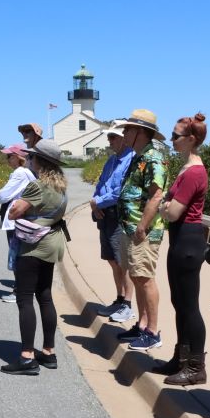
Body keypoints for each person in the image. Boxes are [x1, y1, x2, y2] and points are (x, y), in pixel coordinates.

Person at [0, 139, 68, 376]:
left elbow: (15, 210)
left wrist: (21, 207)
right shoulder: (61, 187)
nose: (29, 159)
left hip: (32, 246)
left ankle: (27, 356)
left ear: (39, 161)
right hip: (52, 243)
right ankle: (49, 352)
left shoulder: (37, 186)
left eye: (31, 157)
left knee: (25, 297)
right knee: (45, 296)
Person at [155, 113, 210, 385]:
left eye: (176, 136)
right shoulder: (186, 168)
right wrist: (166, 205)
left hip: (188, 239)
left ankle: (196, 367)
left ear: (191, 140)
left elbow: (173, 211)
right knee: (179, 302)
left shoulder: (195, 172)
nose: (172, 139)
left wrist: (164, 206)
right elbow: (168, 206)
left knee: (189, 307)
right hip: (180, 239)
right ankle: (181, 359)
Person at [113, 110, 169, 352]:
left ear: (140, 132)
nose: (124, 133)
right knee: (136, 277)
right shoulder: (138, 156)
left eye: (128, 129)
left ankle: (153, 331)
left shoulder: (154, 158)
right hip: (131, 228)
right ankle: (143, 323)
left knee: (145, 278)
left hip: (143, 231)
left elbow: (157, 195)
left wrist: (142, 226)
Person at [91, 126, 136, 321]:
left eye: (113, 137)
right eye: (109, 137)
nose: (109, 141)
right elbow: (100, 184)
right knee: (112, 260)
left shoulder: (131, 160)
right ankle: (119, 300)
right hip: (104, 214)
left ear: (124, 139)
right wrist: (95, 203)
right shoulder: (111, 161)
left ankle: (127, 304)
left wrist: (97, 202)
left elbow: (119, 192)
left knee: (122, 261)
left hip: (118, 215)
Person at [0, 144, 36, 303]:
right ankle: (25, 288)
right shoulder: (26, 172)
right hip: (22, 218)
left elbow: (2, 195)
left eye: (10, 156)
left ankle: (20, 290)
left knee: (17, 256)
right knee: (22, 255)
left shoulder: (20, 173)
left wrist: (2, 193)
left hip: (16, 220)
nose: (7, 159)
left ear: (18, 157)